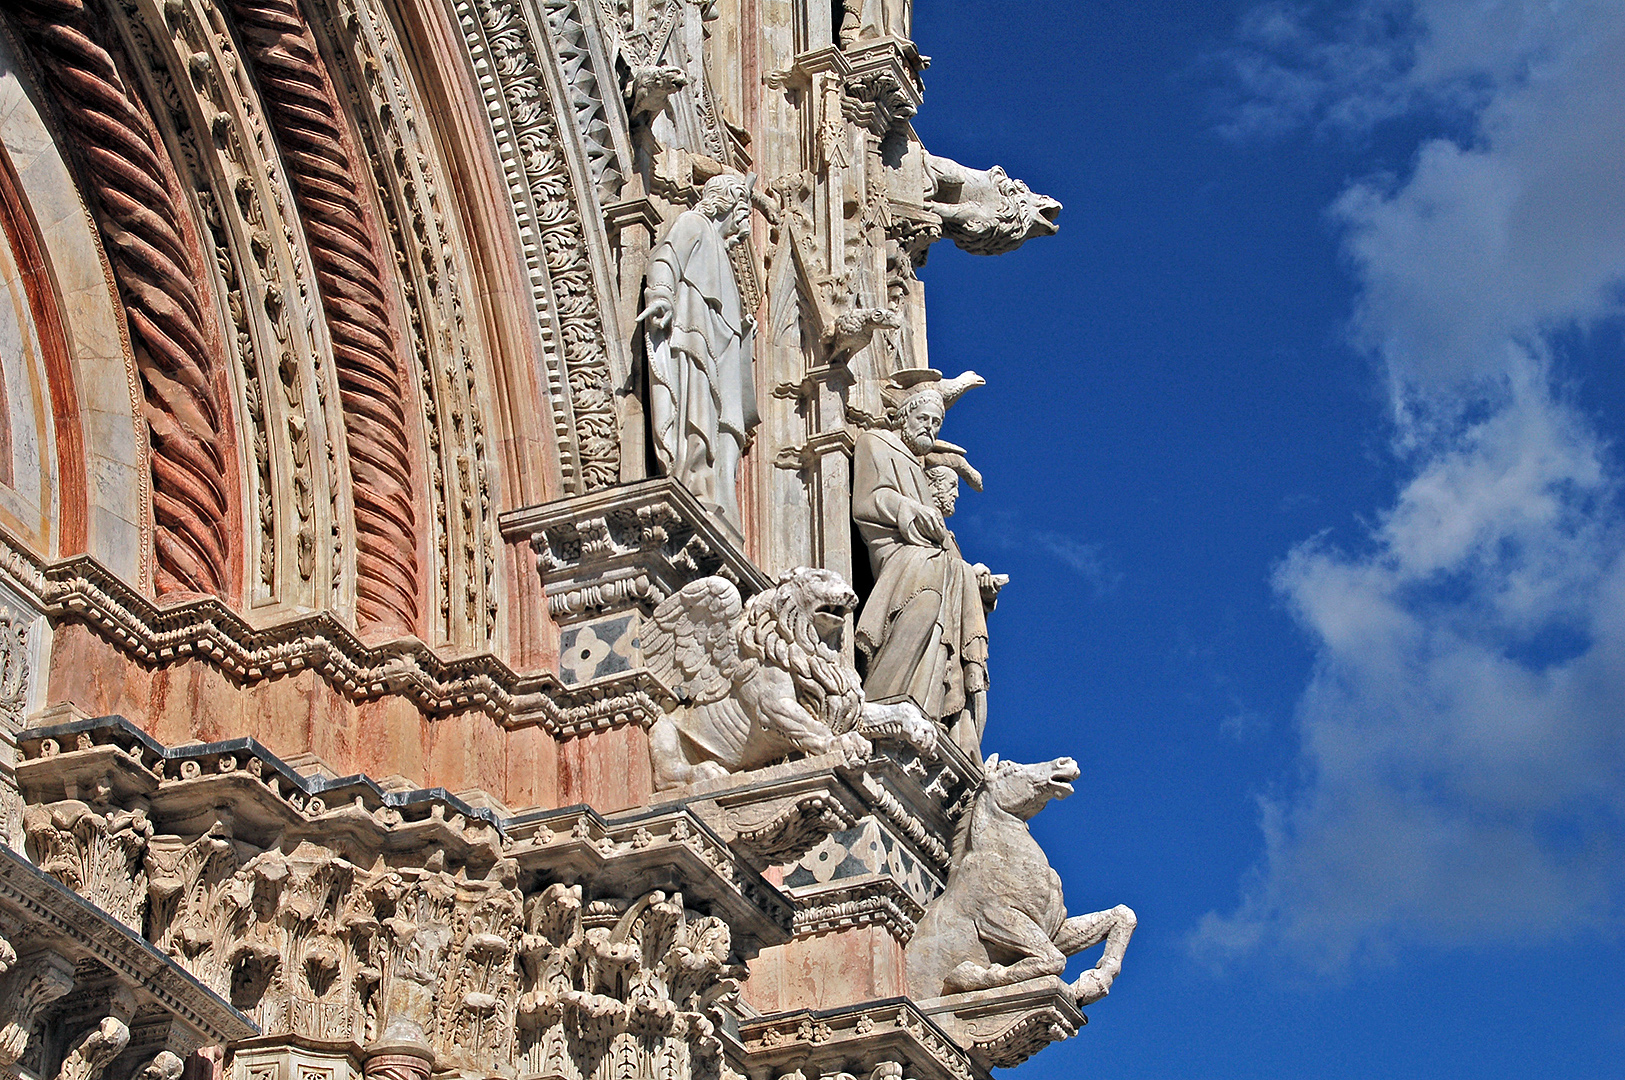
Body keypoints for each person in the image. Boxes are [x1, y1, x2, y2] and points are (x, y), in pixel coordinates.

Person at [853, 369, 1000, 757]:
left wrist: (976, 579)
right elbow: (868, 500)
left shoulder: (922, 468)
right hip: (896, 553)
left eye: (937, 423)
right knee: (931, 586)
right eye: (924, 419)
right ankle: (886, 693)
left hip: (930, 559)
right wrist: (910, 510)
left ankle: (929, 707)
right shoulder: (875, 442)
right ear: (904, 415)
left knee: (949, 582)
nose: (931, 428)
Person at [638, 172, 759, 528]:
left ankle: (720, 500)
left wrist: (743, 332)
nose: (745, 221)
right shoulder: (694, 224)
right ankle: (693, 485)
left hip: (722, 355)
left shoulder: (723, 254)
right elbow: (666, 259)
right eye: (742, 211)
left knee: (729, 430)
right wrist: (661, 294)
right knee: (698, 416)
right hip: (695, 341)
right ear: (727, 204)